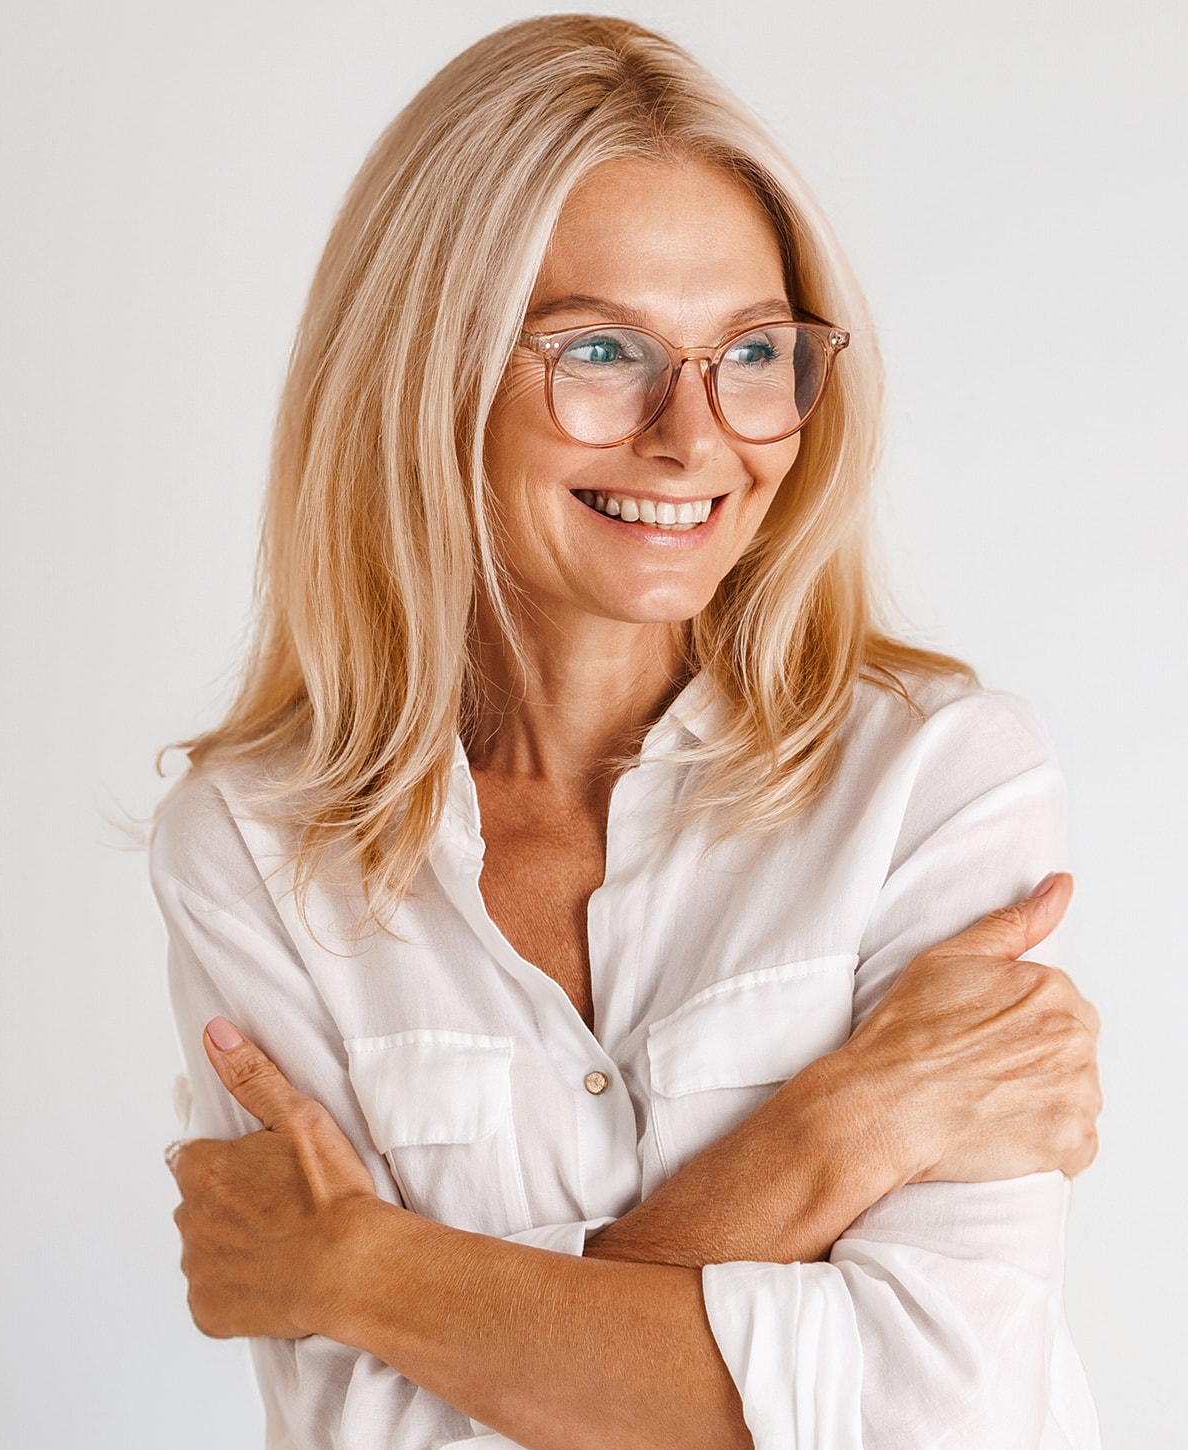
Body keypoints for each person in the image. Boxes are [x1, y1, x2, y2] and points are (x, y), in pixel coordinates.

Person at [154, 15, 1101, 1449]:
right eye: (603, 348)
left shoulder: (936, 783)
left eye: (754, 351)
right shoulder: (256, 845)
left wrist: (361, 1269)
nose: (695, 435)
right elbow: (387, 1436)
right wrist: (831, 1135)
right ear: (430, 373)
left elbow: (938, 1405)